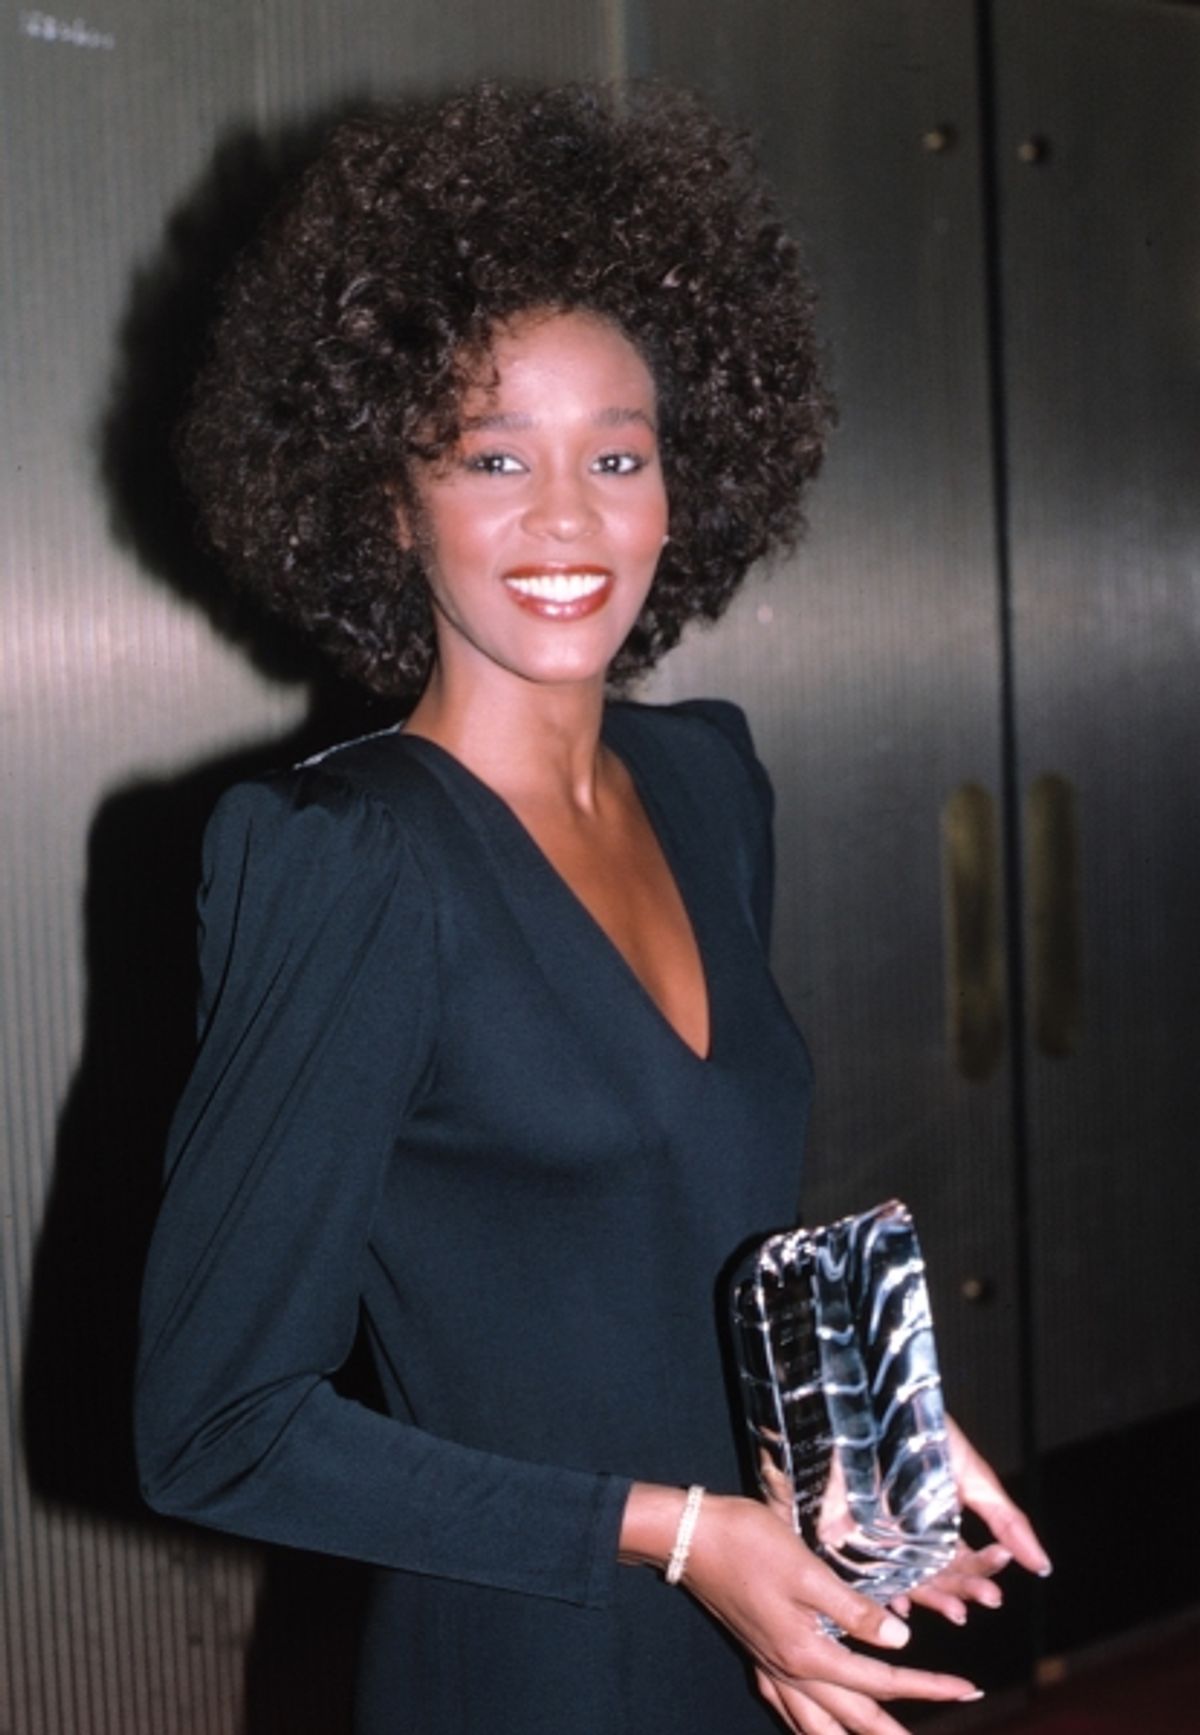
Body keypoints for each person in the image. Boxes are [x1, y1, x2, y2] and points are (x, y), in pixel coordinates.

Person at [135, 82, 1049, 1735]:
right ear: (386, 496)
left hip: (780, 1621)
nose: (566, 521)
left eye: (615, 455)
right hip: (532, 1661)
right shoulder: (345, 862)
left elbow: (678, 1227)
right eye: (493, 457)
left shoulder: (708, 781)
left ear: (683, 482)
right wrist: (678, 1536)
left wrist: (860, 1437)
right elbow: (220, 1422)